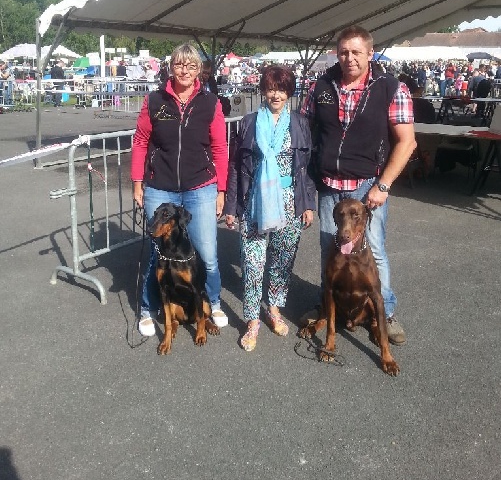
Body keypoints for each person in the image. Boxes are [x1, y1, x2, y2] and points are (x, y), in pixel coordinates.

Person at [300, 25, 416, 345]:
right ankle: (326, 305)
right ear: (336, 54)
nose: (349, 58)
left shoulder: (391, 88)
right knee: (330, 248)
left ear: (369, 52)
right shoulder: (320, 86)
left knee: (373, 250)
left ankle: (386, 312)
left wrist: (384, 185)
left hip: (367, 185)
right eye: (343, 52)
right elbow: (303, 131)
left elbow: (406, 142)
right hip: (328, 184)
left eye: (356, 52)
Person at [131, 43, 229, 336]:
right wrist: (137, 182)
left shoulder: (210, 103)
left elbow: (220, 149)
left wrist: (221, 190)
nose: (184, 71)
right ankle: (148, 308)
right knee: (155, 252)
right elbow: (140, 142)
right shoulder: (154, 100)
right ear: (170, 67)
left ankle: (213, 301)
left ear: (199, 70)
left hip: (201, 186)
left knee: (207, 252)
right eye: (179, 65)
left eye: (191, 66)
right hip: (160, 187)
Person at [225, 65, 316, 351]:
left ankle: (274, 308)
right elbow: (236, 166)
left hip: (289, 200)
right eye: (270, 88)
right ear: (263, 90)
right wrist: (231, 205)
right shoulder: (249, 122)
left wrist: (308, 204)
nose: (275, 94)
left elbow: (307, 168)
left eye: (281, 88)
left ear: (289, 91)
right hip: (255, 201)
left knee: (281, 261)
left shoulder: (300, 123)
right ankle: (252, 319)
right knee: (253, 264)